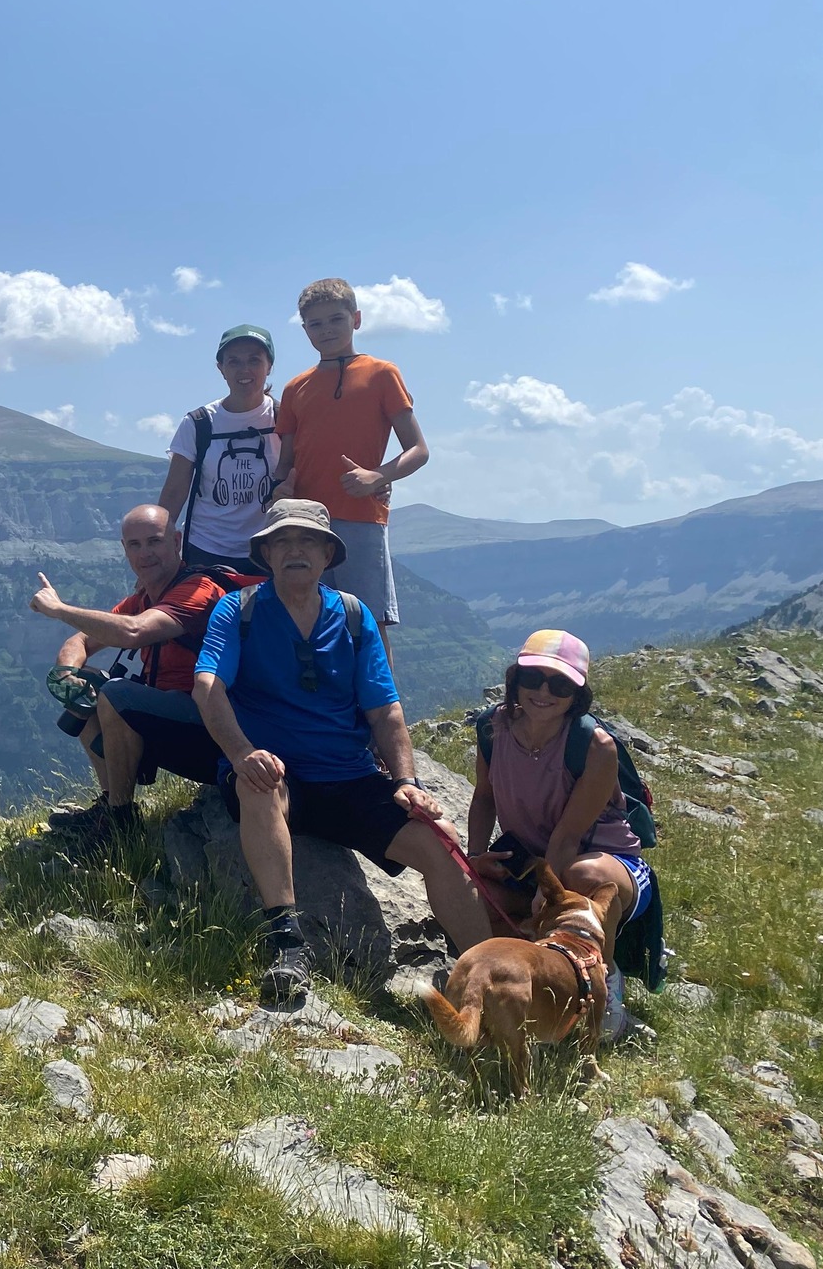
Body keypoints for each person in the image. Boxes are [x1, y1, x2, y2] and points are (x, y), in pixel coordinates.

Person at [193, 498, 491, 1002]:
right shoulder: (237, 610)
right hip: (280, 775)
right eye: (282, 541)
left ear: (328, 554)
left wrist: (406, 783)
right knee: (258, 786)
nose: (295, 551)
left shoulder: (353, 617)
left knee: (437, 842)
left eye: (307, 540)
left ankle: (493, 973)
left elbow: (385, 711)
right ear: (264, 554)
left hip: (351, 778)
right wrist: (243, 753)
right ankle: (287, 943)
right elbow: (207, 686)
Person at [467, 629, 658, 1033]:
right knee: (471, 897)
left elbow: (568, 837)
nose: (543, 691)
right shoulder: (492, 729)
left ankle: (603, 985)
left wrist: (544, 892)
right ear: (515, 681)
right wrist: (476, 857)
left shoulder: (594, 746)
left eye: (560, 683)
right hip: (532, 858)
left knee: (580, 876)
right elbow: (484, 798)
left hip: (605, 861)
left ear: (578, 693)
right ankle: (532, 989)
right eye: (533, 678)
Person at [30, 504, 250, 853]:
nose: (145, 553)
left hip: (219, 731)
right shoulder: (144, 597)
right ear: (124, 549)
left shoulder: (198, 590)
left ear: (176, 542)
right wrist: (69, 675)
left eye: (154, 542)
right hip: (180, 722)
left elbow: (134, 632)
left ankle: (119, 825)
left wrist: (59, 610)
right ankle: (111, 804)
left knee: (117, 696)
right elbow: (83, 640)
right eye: (135, 545)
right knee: (90, 684)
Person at [269, 278, 428, 655]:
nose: (326, 331)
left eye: (335, 320)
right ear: (304, 329)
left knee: (368, 624)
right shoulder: (295, 388)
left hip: (361, 517)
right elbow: (285, 462)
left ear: (356, 319)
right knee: (307, 621)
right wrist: (278, 489)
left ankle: (384, 711)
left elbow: (419, 449)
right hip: (305, 522)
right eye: (315, 324)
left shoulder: (382, 373)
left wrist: (379, 476)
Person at [157, 324, 279, 574]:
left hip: (270, 550)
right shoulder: (198, 423)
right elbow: (173, 493)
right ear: (221, 369)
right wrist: (158, 553)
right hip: (207, 551)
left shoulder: (286, 418)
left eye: (254, 360)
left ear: (269, 366)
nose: (244, 370)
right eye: (233, 361)